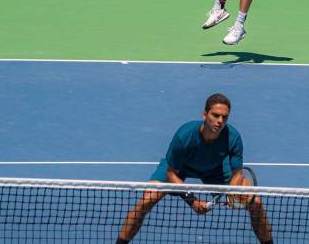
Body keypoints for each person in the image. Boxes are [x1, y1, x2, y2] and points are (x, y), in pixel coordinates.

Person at [116, 93, 273, 244]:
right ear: (205, 115)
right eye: (215, 115)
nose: (220, 121)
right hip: (180, 168)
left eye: (224, 117)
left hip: (215, 169)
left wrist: (233, 191)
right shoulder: (184, 135)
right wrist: (192, 200)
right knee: (146, 200)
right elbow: (171, 174)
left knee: (256, 202)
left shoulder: (233, 137)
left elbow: (237, 173)